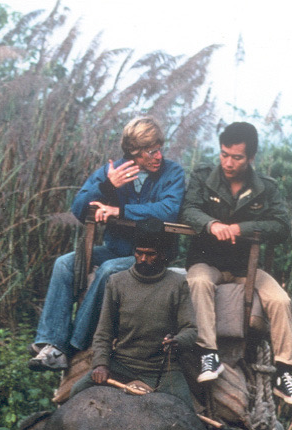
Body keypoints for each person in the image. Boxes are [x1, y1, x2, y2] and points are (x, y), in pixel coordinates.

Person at [29, 117, 186, 371]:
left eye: (160, 148)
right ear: (133, 153)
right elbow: (79, 209)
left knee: (109, 270)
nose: (159, 155)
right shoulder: (112, 171)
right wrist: (106, 186)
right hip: (115, 249)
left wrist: (119, 210)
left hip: (153, 256)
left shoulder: (172, 173)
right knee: (64, 263)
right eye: (151, 151)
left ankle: (73, 345)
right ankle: (52, 342)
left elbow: (167, 210)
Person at [181, 121, 292, 404]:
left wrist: (242, 228)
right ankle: (208, 353)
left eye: (236, 157)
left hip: (245, 268)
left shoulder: (266, 188)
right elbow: (188, 209)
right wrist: (211, 224)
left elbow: (282, 227)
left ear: (250, 158)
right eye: (224, 154)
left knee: (280, 300)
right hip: (207, 260)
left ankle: (285, 371)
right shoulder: (203, 178)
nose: (228, 162)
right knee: (198, 282)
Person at [70, 222, 197, 406]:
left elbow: (191, 329)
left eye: (150, 254)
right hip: (122, 365)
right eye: (139, 252)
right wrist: (101, 364)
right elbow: (104, 332)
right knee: (77, 392)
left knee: (186, 411)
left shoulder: (177, 284)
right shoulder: (117, 282)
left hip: (162, 370)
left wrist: (178, 340)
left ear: (162, 254)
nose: (143, 259)